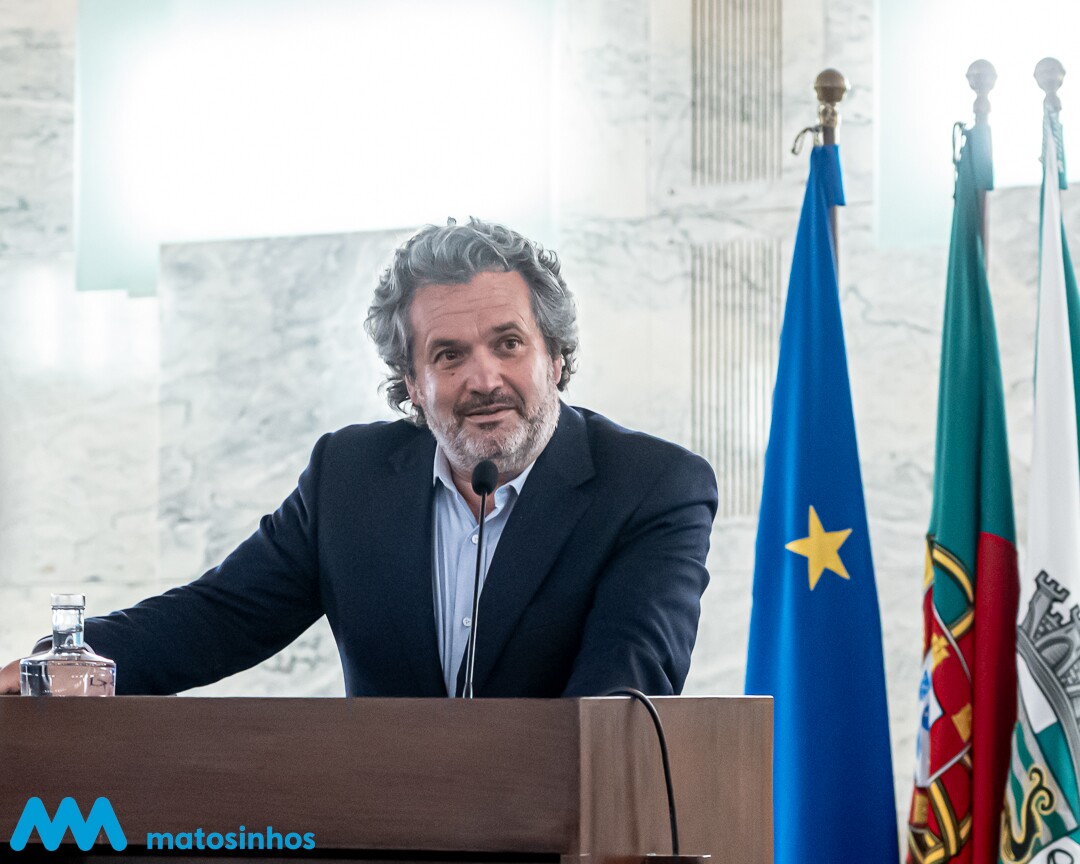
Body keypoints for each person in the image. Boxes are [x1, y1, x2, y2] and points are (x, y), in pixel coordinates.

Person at [0, 218, 718, 697]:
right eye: (449, 355)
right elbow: (217, 617)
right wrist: (60, 664)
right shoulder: (348, 478)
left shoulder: (654, 487)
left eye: (508, 344)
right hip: (381, 832)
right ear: (412, 383)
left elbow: (624, 690)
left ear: (555, 358)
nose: (484, 378)